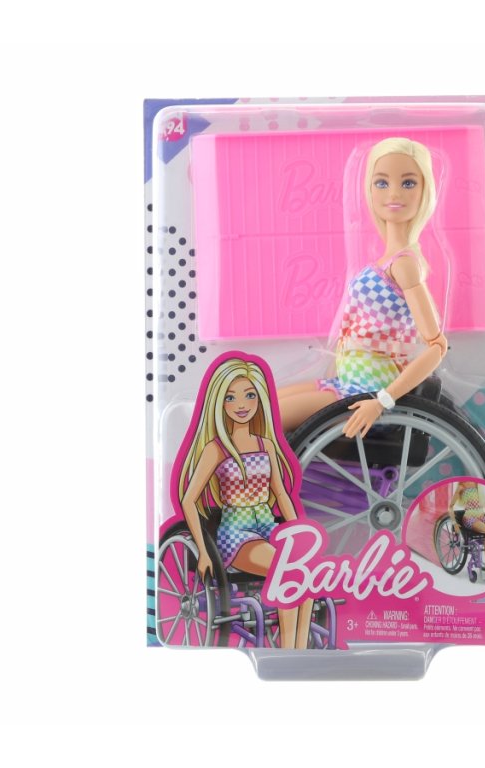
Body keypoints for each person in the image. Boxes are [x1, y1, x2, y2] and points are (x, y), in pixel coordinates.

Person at [278, 137, 448, 438]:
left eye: (408, 183)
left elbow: (437, 345)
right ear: (369, 188)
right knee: (263, 404)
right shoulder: (387, 261)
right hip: (347, 380)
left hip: (367, 389)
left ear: (425, 191)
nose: (394, 193)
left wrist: (382, 400)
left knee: (265, 417)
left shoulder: (404, 264)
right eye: (381, 183)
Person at [176, 355, 313, 648]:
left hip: (268, 527)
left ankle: (300, 650)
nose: (241, 404)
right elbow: (189, 500)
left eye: (250, 395)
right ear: (220, 403)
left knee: (306, 578)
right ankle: (288, 653)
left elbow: (281, 494)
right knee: (287, 575)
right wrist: (203, 551)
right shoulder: (216, 449)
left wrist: (298, 532)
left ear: (260, 399)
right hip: (236, 534)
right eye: (231, 397)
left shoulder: (267, 445)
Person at [446, 481, 485, 582]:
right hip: (469, 517)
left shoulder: (478, 485)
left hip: (481, 516)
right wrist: (454, 523)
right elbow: (450, 507)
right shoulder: (461, 486)